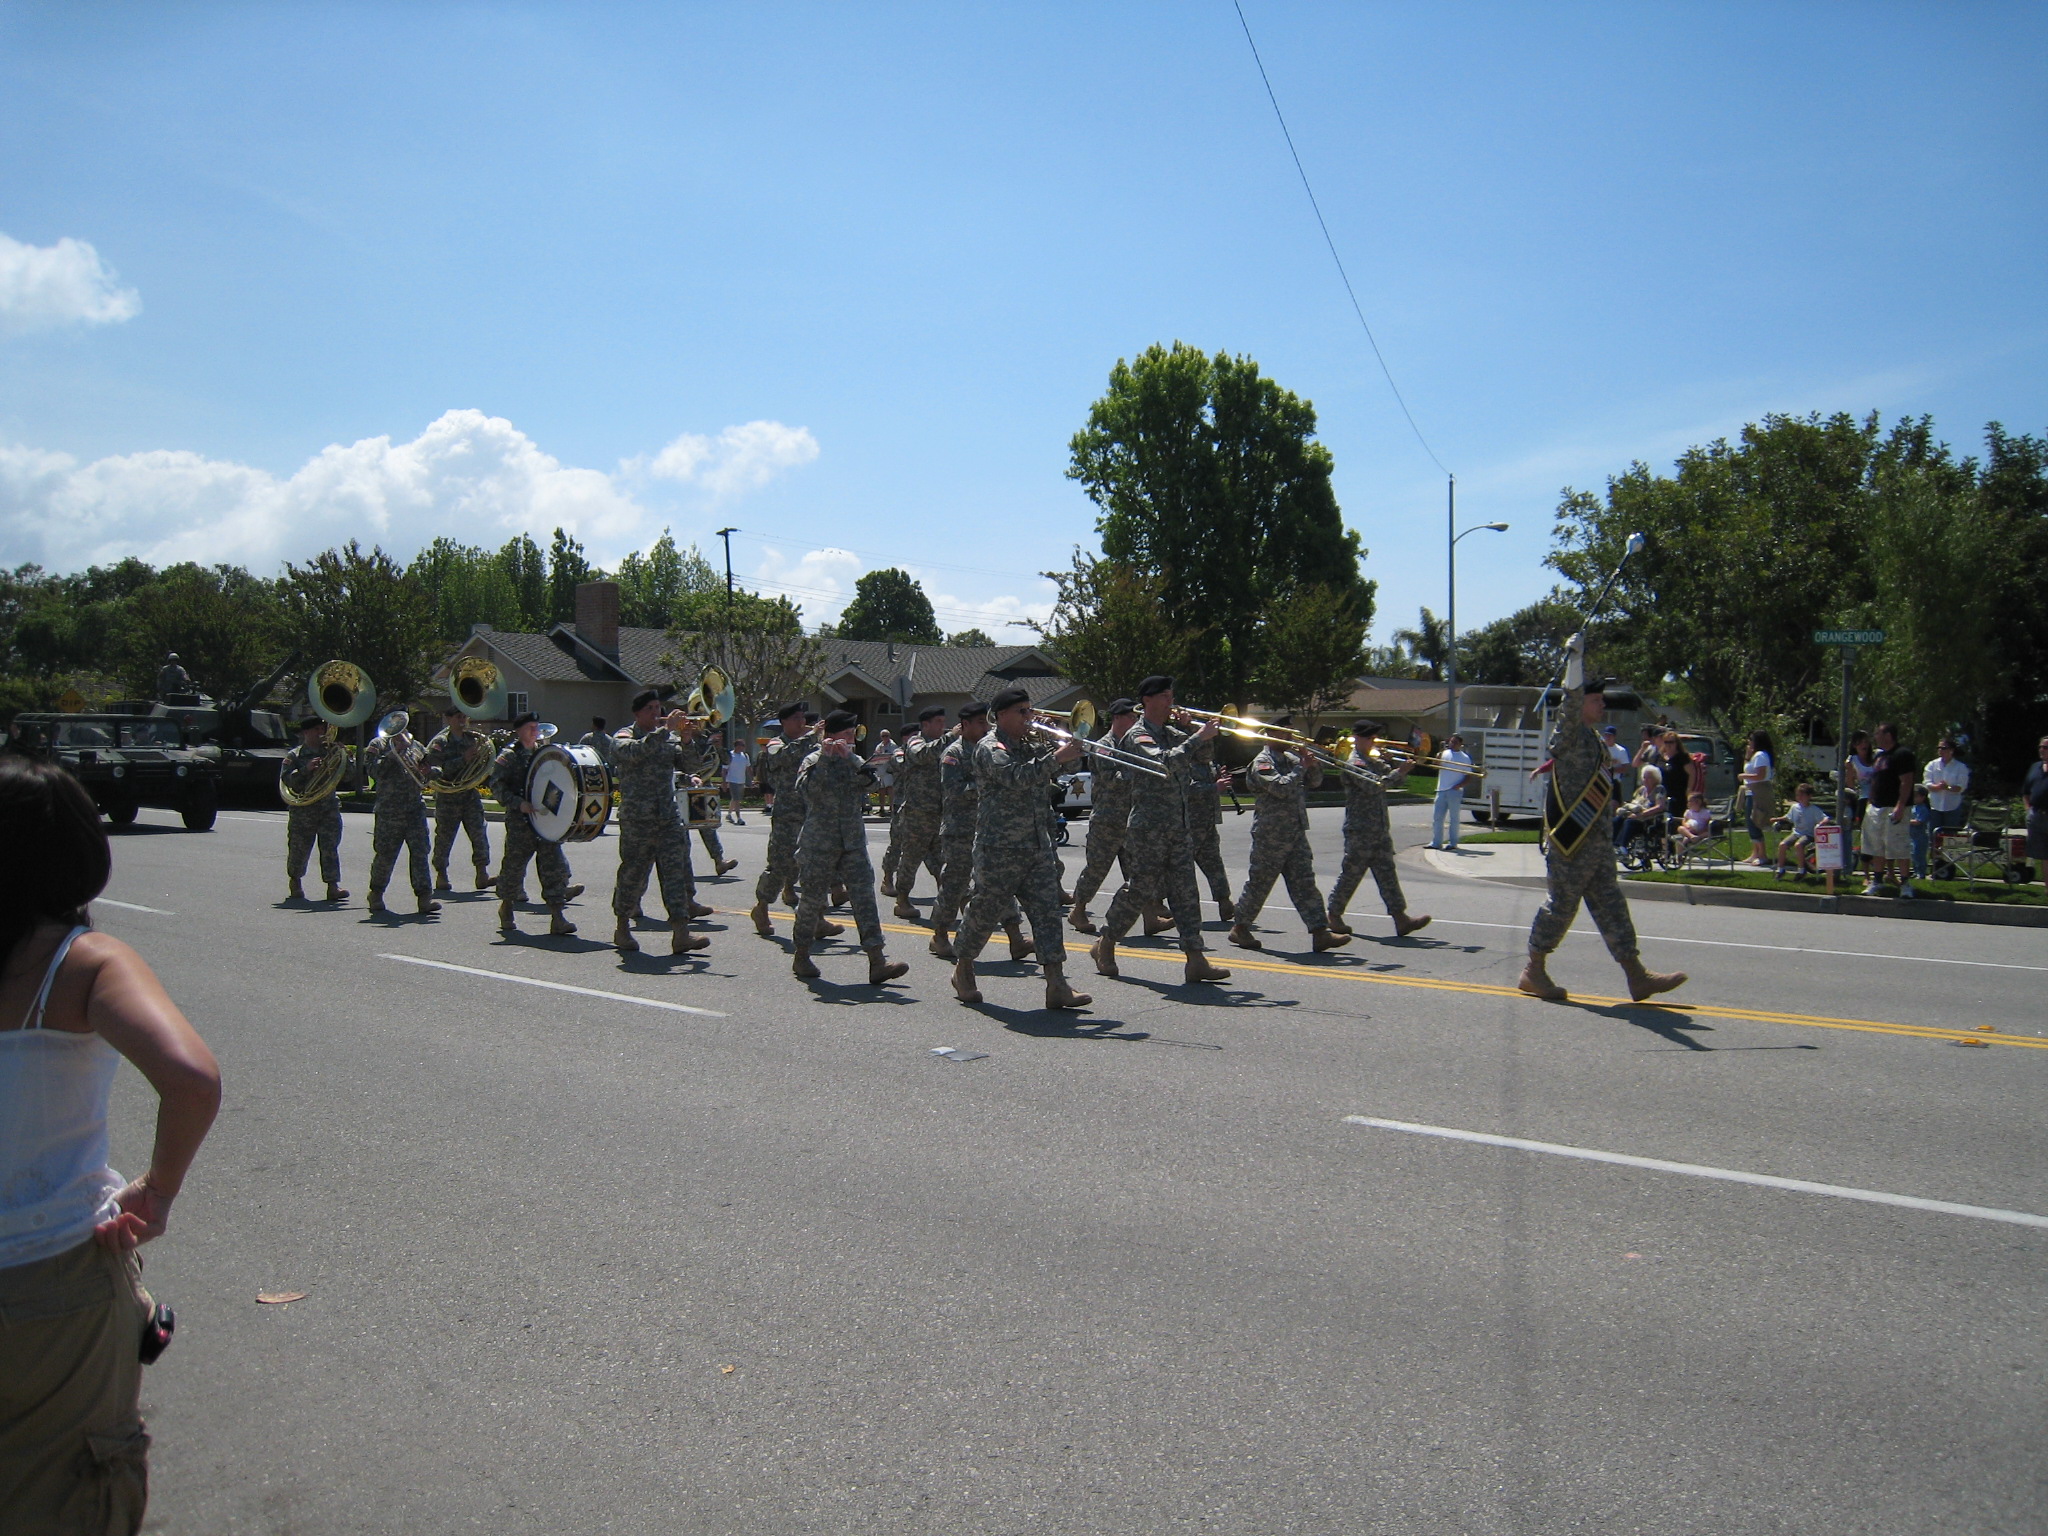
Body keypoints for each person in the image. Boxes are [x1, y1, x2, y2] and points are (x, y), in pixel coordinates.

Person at [0, 756, 221, 1533]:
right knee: (68, 1493)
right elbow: (192, 1078)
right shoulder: (83, 961)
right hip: (46, 1279)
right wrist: (158, 1190)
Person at [1518, 638, 1686, 1003]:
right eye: (1597, 700)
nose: (1602, 704)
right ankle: (1533, 970)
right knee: (1561, 906)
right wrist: (1575, 658)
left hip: (1594, 841)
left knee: (1611, 904)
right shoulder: (1572, 731)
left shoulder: (1592, 739)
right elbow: (1571, 700)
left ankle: (1637, 976)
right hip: (1571, 842)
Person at [947, 687, 1091, 1009]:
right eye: (1021, 712)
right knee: (985, 911)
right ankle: (964, 967)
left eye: (1029, 710)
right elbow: (1014, 776)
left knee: (1047, 915)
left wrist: (1069, 743)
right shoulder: (989, 746)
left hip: (1037, 845)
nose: (1029, 717)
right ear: (1000, 716)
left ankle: (1057, 984)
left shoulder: (1033, 744)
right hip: (999, 848)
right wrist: (1055, 757)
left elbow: (1067, 770)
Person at [1090, 676, 1230, 986]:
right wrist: (1196, 738)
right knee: (1139, 890)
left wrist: (1197, 731)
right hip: (1148, 829)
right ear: (1148, 700)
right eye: (1165, 697)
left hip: (1179, 826)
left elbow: (1201, 759)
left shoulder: (1171, 733)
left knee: (1186, 892)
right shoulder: (1137, 735)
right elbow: (1164, 763)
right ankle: (1106, 942)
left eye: (1171, 696)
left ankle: (1196, 958)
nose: (1170, 702)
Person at [789, 710, 908, 985]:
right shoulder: (812, 760)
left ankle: (877, 961)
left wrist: (850, 759)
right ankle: (802, 954)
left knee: (865, 899)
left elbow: (873, 784)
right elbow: (805, 791)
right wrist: (827, 760)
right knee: (812, 900)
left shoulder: (854, 760)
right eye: (846, 734)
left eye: (852, 734)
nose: (851, 738)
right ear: (831, 735)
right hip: (820, 843)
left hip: (852, 843)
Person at [610, 691, 714, 956]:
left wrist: (687, 740)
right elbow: (635, 752)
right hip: (637, 820)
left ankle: (681, 933)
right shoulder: (624, 737)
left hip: (667, 818)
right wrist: (665, 731)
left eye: (659, 707)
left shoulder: (668, 740)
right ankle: (622, 926)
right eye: (651, 708)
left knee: (675, 876)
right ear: (637, 713)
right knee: (632, 874)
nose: (657, 712)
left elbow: (691, 766)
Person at [928, 702, 1028, 963]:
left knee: (999, 882)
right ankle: (940, 935)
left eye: (987, 722)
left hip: (988, 829)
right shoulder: (954, 753)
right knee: (954, 884)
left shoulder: (994, 749)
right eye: (981, 723)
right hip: (960, 830)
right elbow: (952, 790)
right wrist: (984, 783)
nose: (986, 727)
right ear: (965, 726)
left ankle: (1016, 938)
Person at [1228, 736, 1348, 952]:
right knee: (1260, 882)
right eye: (1285, 734)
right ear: (1273, 736)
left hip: (1295, 832)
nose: (1290, 739)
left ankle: (1320, 932)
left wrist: (1311, 764)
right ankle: (1240, 927)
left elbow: (1315, 782)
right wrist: (1300, 768)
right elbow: (1280, 788)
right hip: (1271, 834)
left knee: (1305, 882)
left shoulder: (1292, 759)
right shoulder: (1262, 762)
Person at [1326, 720, 1430, 939]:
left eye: (1374, 737)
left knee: (1387, 874)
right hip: (1360, 828)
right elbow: (1375, 785)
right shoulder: (1354, 762)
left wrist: (1392, 765)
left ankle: (1400, 918)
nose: (1374, 741)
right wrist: (1397, 772)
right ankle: (1333, 914)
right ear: (1359, 738)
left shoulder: (1370, 760)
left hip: (1378, 828)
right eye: (1370, 737)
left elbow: (1390, 779)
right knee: (1351, 874)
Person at [492, 713, 579, 936]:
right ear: (519, 730)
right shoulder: (509, 756)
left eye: (536, 727)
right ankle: (507, 908)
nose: (535, 731)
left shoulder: (544, 754)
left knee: (553, 867)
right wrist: (517, 803)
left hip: (545, 822)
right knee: (514, 867)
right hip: (521, 822)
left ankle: (557, 916)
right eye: (530, 727)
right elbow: (497, 787)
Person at [749, 704, 832, 937]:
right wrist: (810, 737)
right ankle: (762, 907)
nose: (801, 722)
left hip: (811, 811)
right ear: (784, 722)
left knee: (815, 865)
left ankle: (818, 917)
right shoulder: (776, 744)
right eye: (796, 718)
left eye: (803, 718)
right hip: (787, 814)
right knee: (780, 865)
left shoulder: (813, 744)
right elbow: (783, 758)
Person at [1066, 699, 1139, 935]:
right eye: (1131, 717)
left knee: (1138, 872)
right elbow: (1112, 778)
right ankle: (1078, 910)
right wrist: (1139, 772)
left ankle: (1150, 916)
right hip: (1107, 820)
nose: (1135, 721)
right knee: (1096, 870)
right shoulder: (1104, 746)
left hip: (1129, 817)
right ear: (1117, 718)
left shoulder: (1133, 744)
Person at [362, 715, 440, 918]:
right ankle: (376, 893)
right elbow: (372, 771)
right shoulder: (378, 745)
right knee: (386, 854)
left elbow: (433, 770)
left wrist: (430, 770)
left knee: (420, 853)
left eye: (402, 727)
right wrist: (391, 754)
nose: (399, 731)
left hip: (414, 809)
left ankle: (424, 898)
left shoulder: (415, 745)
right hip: (389, 810)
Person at [881, 706, 949, 916]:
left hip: (940, 813)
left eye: (943, 721)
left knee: (942, 861)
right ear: (925, 725)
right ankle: (902, 900)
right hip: (916, 814)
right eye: (938, 721)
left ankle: (950, 901)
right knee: (910, 859)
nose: (943, 726)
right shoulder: (916, 743)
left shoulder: (946, 745)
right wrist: (952, 737)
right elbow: (921, 755)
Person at [424, 706, 493, 892]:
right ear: (448, 719)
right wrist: (463, 759)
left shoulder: (473, 740)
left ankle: (482, 873)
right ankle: (441, 875)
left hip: (469, 795)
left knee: (479, 834)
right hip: (448, 797)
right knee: (445, 837)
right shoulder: (440, 743)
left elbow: (484, 764)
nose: (462, 720)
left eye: (464, 717)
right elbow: (435, 770)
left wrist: (479, 760)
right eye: (458, 717)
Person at [280, 717, 347, 904]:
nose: (321, 733)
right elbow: (287, 780)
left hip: (329, 807)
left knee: (330, 847)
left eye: (322, 729)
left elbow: (347, 776)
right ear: (306, 732)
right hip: (304, 810)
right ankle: (296, 882)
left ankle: (333, 886)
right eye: (317, 729)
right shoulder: (294, 756)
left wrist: (345, 757)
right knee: (299, 848)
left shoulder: (331, 752)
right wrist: (305, 770)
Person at [1859, 722, 1918, 897]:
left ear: (1888, 735)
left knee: (1898, 846)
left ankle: (1905, 884)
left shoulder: (1902, 754)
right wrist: (1870, 802)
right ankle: (1877, 881)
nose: (1875, 736)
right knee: (1876, 846)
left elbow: (1906, 782)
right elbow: (1875, 780)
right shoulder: (1880, 756)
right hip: (1876, 806)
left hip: (1894, 807)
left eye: (1878, 733)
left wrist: (1900, 806)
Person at [1183, 741, 1236, 918]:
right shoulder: (1185, 764)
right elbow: (1187, 789)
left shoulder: (1210, 765)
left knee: (1214, 863)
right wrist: (1215, 786)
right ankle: (1158, 903)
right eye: (1205, 747)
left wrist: (1221, 780)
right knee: (1180, 867)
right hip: (1190, 823)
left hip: (1208, 822)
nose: (1209, 751)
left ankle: (1224, 901)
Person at [1429, 733, 1475, 850]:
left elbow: (1469, 776)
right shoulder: (1444, 754)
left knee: (1454, 818)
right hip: (1441, 789)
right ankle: (1436, 842)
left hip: (1454, 791)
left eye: (1455, 742)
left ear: (1460, 744)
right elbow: (1434, 766)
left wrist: (1459, 785)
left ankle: (1453, 843)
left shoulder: (1464, 758)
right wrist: (1438, 756)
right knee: (1437, 818)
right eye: (1451, 742)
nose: (1452, 744)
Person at [1773, 781, 1826, 879]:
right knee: (1782, 845)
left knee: (1799, 845)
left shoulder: (1813, 809)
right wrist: (1777, 819)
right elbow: (1788, 817)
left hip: (1808, 834)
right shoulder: (1794, 807)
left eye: (1802, 795)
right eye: (1798, 795)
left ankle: (1801, 870)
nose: (1800, 797)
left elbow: (1825, 818)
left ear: (1809, 796)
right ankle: (1780, 869)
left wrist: (1821, 823)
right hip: (1796, 833)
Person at [1740, 729, 1776, 866]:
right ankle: (1754, 852)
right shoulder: (1754, 755)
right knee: (1750, 821)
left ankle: (1762, 855)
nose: (1749, 742)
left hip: (1758, 792)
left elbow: (1760, 775)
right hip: (1750, 791)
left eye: (1751, 739)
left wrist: (1743, 777)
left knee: (1754, 822)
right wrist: (1747, 756)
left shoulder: (1761, 755)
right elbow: (1748, 767)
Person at [1922, 738, 1970, 834]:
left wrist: (1947, 787)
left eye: (1943, 748)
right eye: (1938, 748)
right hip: (1935, 806)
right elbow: (1926, 784)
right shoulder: (1931, 765)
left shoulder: (1961, 767)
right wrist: (1938, 787)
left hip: (1952, 807)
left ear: (1951, 750)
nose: (1940, 750)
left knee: (1950, 836)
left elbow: (1961, 787)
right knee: (1934, 836)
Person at [2023, 736, 2048, 885]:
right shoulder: (2035, 767)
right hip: (2037, 817)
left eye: (2045, 748)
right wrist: (2028, 811)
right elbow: (2026, 792)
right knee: (2045, 856)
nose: (2042, 750)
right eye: (2041, 747)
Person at [1907, 783, 1933, 882]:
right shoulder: (1913, 807)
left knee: (1919, 855)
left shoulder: (1923, 809)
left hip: (1920, 836)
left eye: (1916, 796)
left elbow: (1919, 821)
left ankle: (1921, 873)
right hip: (1912, 836)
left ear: (1922, 797)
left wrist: (1906, 821)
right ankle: (1915, 871)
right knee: (1913, 854)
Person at [723, 741, 752, 824]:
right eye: (741, 746)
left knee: (735, 799)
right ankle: (739, 818)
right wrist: (724, 782)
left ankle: (729, 814)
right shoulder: (730, 755)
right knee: (736, 799)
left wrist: (751, 778)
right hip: (732, 780)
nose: (742, 747)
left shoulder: (745, 756)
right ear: (736, 746)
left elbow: (748, 767)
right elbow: (724, 769)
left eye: (743, 746)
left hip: (741, 780)